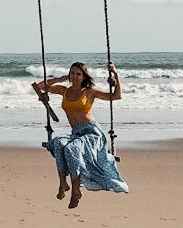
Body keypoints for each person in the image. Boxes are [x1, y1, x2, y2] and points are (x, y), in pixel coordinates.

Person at [31, 61, 128, 209]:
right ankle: (63, 183)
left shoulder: (89, 91)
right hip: (76, 133)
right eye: (72, 73)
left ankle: (76, 190)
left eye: (78, 74)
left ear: (84, 76)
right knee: (58, 143)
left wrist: (115, 74)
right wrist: (60, 78)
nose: (75, 77)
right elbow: (39, 87)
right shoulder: (65, 91)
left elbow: (117, 96)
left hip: (91, 133)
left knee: (71, 149)